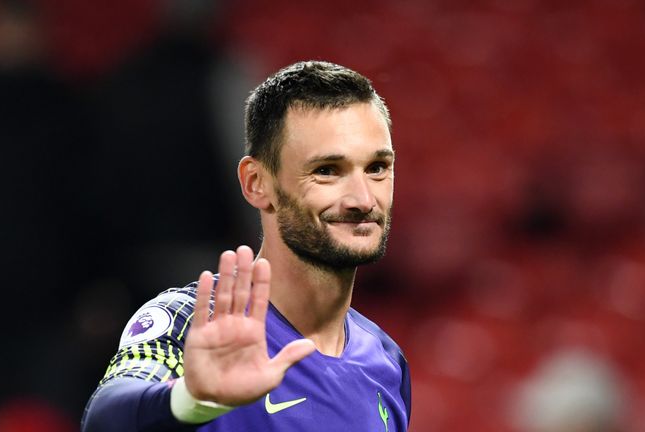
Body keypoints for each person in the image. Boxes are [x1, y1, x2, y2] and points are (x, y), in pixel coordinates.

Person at [81, 60, 411, 432]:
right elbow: (106, 417)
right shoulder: (191, 321)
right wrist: (191, 400)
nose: (363, 198)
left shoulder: (387, 363)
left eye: (377, 167)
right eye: (327, 170)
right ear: (256, 183)